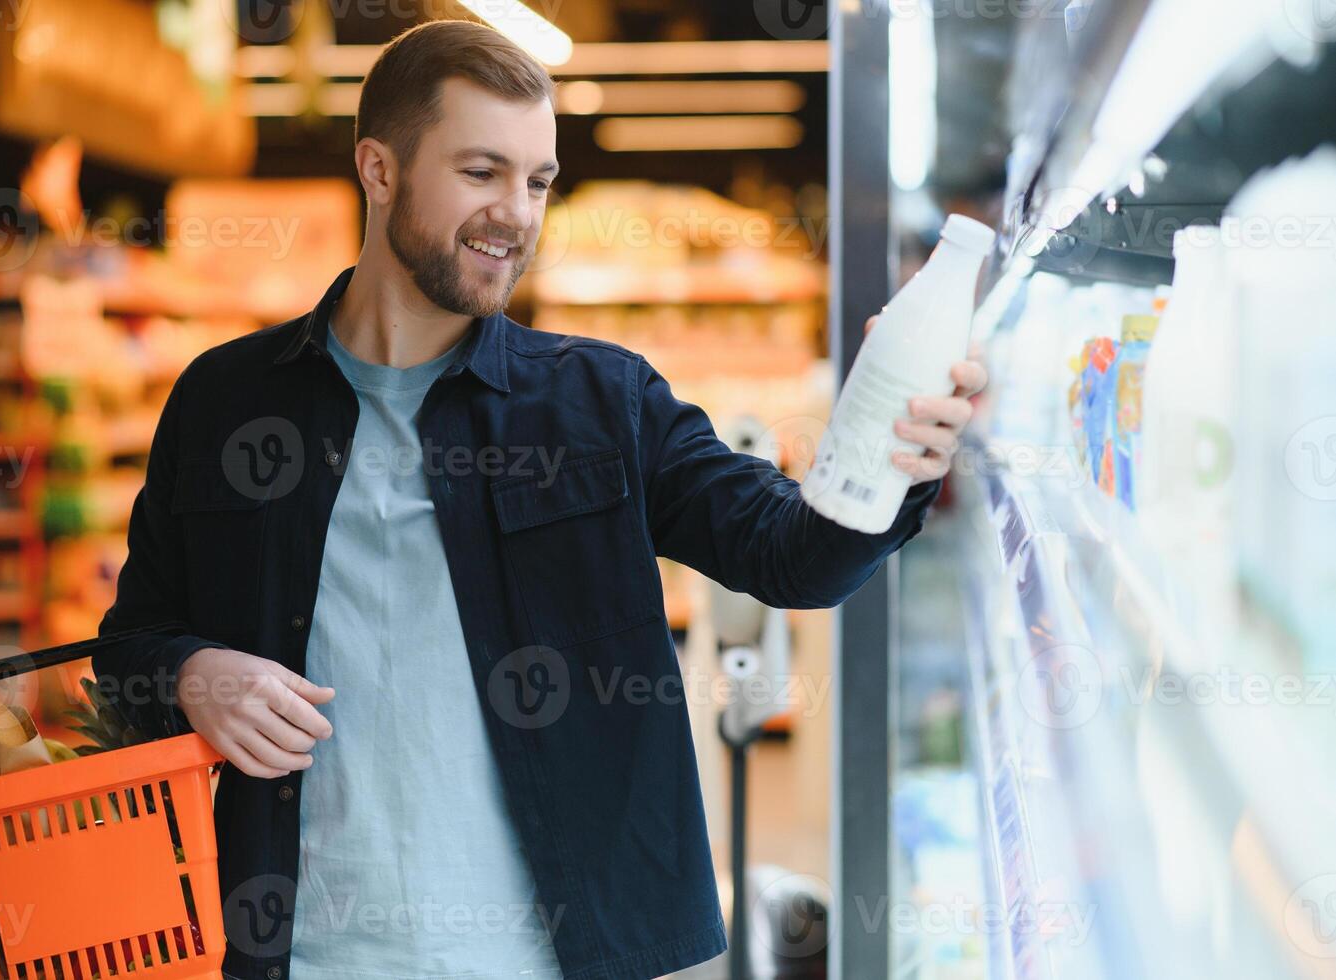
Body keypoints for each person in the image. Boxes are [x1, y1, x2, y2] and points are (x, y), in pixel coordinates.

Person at [92, 18, 987, 980]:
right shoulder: (228, 401)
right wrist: (191, 674)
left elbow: (791, 558)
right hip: (288, 953)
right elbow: (128, 649)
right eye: (481, 172)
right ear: (379, 170)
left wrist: (898, 463)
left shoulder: (602, 402)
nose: (515, 214)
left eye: (537, 181)